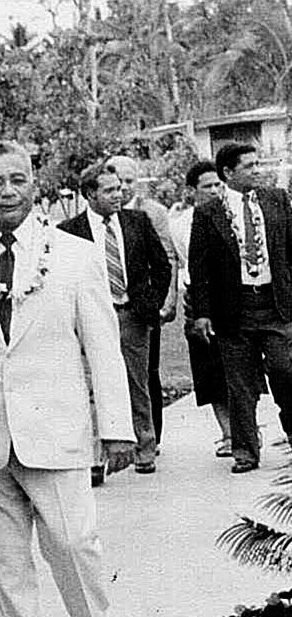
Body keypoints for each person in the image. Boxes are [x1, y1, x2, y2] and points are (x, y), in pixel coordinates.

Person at [0, 142, 135, 617]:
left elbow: (103, 348)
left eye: (18, 180)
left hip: (57, 430)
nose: (8, 191)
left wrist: (117, 427)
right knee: (5, 559)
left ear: (35, 185)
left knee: (73, 543)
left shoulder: (74, 255)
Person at [59, 161, 171, 476]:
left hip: (131, 316)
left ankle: (144, 449)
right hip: (89, 320)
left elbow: (161, 266)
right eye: (109, 190)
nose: (117, 195)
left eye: (119, 188)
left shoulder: (138, 221)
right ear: (89, 195)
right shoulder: (69, 231)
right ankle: (95, 458)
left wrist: (151, 304)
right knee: (91, 386)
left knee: (137, 383)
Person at [190, 142, 292, 473]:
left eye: (257, 164)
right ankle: (245, 451)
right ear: (228, 173)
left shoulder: (277, 200)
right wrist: (203, 313)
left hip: (275, 305)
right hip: (234, 311)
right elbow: (200, 267)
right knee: (240, 385)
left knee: (285, 370)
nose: (257, 170)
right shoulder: (208, 213)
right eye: (249, 166)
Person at [108, 155, 179, 450]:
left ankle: (151, 437)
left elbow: (168, 256)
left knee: (146, 372)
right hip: (111, 307)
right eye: (117, 182)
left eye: (129, 182)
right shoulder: (99, 214)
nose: (123, 188)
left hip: (145, 306)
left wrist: (167, 300)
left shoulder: (152, 212)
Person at [170, 160, 232, 456]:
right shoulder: (182, 225)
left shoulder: (235, 214)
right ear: (192, 191)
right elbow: (190, 265)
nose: (215, 190)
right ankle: (228, 433)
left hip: (236, 299)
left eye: (218, 184)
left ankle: (247, 428)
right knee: (210, 372)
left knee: (240, 369)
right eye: (207, 186)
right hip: (199, 300)